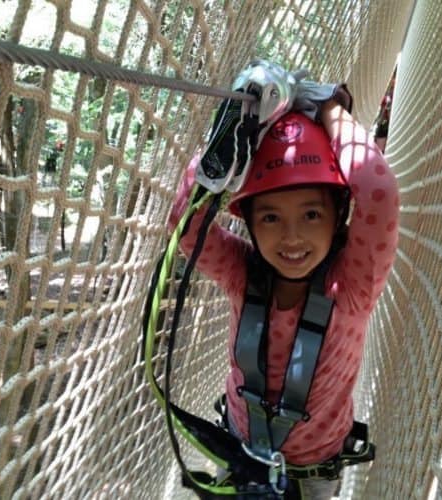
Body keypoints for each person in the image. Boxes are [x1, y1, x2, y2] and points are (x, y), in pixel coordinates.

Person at [168, 83, 399, 499]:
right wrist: (235, 130)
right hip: (241, 452)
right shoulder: (243, 273)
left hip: (312, 474)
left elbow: (379, 193)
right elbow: (186, 221)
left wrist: (331, 110)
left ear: (338, 218)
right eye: (271, 218)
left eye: (311, 214)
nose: (292, 238)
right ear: (251, 223)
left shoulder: (351, 286)